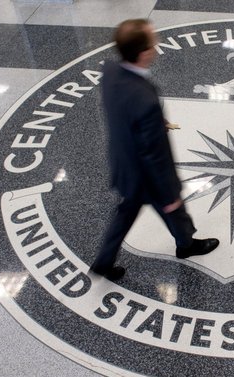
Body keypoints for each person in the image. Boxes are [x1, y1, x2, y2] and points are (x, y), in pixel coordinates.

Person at [90, 19, 219, 281]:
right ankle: (186, 246)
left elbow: (123, 111)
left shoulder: (111, 71)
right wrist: (169, 190)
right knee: (174, 208)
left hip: (123, 163)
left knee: (125, 214)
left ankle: (103, 261)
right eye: (152, 43)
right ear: (143, 53)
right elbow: (155, 154)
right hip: (146, 175)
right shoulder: (145, 100)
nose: (157, 46)